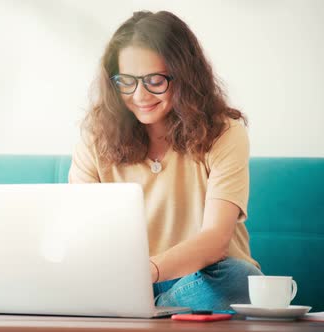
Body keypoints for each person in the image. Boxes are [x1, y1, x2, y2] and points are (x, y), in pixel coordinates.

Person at [68, 10, 263, 310]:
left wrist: (149, 272)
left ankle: (154, 308)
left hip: (202, 276)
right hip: (124, 280)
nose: (140, 95)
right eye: (126, 81)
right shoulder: (96, 136)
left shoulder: (225, 133)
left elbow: (216, 240)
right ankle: (161, 309)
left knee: (241, 279)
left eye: (155, 80)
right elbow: (84, 231)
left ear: (184, 77)